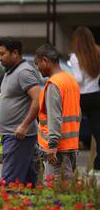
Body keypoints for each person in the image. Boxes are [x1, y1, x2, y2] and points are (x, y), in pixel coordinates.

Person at [0, 37, 42, 185]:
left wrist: (24, 125)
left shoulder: (24, 72)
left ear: (15, 53)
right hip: (11, 134)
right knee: (27, 185)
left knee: (9, 184)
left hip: (18, 136)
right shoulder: (10, 71)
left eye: (2, 54)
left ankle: (7, 207)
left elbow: (38, 99)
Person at [34, 44, 81, 180]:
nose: (38, 69)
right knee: (66, 190)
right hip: (70, 146)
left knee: (56, 193)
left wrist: (52, 146)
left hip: (57, 151)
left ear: (45, 60)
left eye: (38, 64)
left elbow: (54, 117)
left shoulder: (54, 84)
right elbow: (77, 112)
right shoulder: (71, 81)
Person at [70, 26, 100, 178]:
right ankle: (97, 168)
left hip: (81, 98)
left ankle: (69, 165)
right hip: (96, 96)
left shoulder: (75, 57)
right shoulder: (98, 52)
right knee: (97, 133)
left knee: (72, 131)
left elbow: (78, 80)